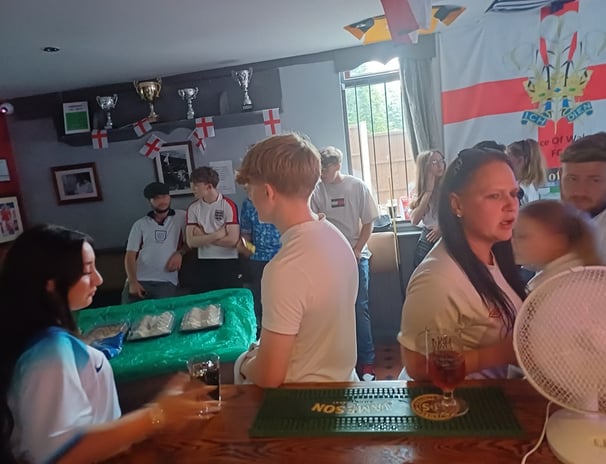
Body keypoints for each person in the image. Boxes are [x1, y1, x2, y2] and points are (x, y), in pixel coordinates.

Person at [0, 225, 219, 464]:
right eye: (86, 271)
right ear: (50, 284)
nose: (99, 279)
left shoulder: (35, 338)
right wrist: (159, 414)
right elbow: (61, 453)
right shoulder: (51, 351)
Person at [234, 134, 359, 387]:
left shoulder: (284, 269)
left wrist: (244, 362)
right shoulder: (335, 236)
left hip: (304, 403)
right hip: (343, 381)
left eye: (250, 189)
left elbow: (270, 377)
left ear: (268, 192)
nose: (250, 198)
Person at [398, 148, 526, 380]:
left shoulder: (494, 255)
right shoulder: (437, 280)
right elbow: (417, 366)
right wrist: (499, 354)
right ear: (457, 205)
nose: (511, 205)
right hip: (456, 407)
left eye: (514, 193)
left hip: (492, 402)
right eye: (494, 196)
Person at [310, 146, 379, 381]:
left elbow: (369, 222)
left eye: (325, 169)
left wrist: (358, 248)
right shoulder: (316, 191)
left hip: (357, 256)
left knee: (359, 308)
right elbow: (313, 222)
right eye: (319, 169)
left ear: (337, 166)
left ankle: (367, 364)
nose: (322, 174)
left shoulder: (356, 186)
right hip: (329, 259)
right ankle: (340, 363)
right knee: (332, 310)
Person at [513, 200, 603, 292]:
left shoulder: (569, 286)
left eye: (522, 236)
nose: (512, 242)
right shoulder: (552, 277)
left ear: (557, 241)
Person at [122, 182, 188, 303]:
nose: (162, 201)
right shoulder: (140, 224)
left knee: (163, 317)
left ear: (170, 197)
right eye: (157, 198)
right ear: (149, 202)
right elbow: (130, 255)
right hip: (139, 280)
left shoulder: (182, 217)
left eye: (164, 196)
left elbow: (192, 240)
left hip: (167, 282)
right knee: (127, 317)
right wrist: (132, 282)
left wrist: (180, 253)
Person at [186, 166, 241, 293]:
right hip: (203, 262)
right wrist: (218, 234)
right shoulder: (193, 208)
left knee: (229, 302)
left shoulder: (228, 205)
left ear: (209, 186)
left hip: (228, 262)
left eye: (196, 185)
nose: (192, 188)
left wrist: (203, 235)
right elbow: (191, 242)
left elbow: (232, 240)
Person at [560, 132, 606, 259]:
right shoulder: (554, 218)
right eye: (572, 179)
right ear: (560, 175)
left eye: (594, 180)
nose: (580, 191)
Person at [239, 193, 281, 333]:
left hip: (283, 257)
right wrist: (248, 250)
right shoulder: (248, 204)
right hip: (258, 260)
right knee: (260, 299)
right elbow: (246, 235)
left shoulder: (281, 198)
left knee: (282, 299)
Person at [409, 149, 446, 267]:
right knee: (421, 264)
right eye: (434, 162)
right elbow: (415, 220)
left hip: (448, 231)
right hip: (429, 232)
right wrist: (428, 192)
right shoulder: (417, 189)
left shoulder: (449, 185)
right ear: (425, 167)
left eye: (441, 161)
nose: (440, 165)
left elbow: (460, 215)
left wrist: (442, 227)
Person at [506, 139, 547, 205]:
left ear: (520, 160)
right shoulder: (532, 188)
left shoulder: (519, 191)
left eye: (508, 158)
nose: (506, 163)